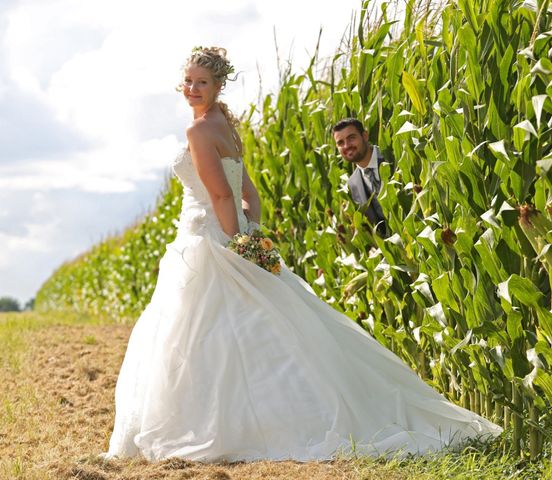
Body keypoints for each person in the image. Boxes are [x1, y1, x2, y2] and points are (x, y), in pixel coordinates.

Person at [104, 46, 501, 463]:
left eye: (201, 82)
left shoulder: (199, 131)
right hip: (231, 231)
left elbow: (223, 194)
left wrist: (235, 245)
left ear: (219, 85)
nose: (192, 88)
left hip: (210, 238)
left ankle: (227, 427)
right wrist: (250, 231)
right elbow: (249, 193)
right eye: (188, 80)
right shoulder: (224, 123)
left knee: (198, 335)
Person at [332, 118, 389, 237]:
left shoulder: (392, 157)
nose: (347, 146)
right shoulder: (352, 185)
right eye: (340, 143)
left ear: (365, 136)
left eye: (351, 138)